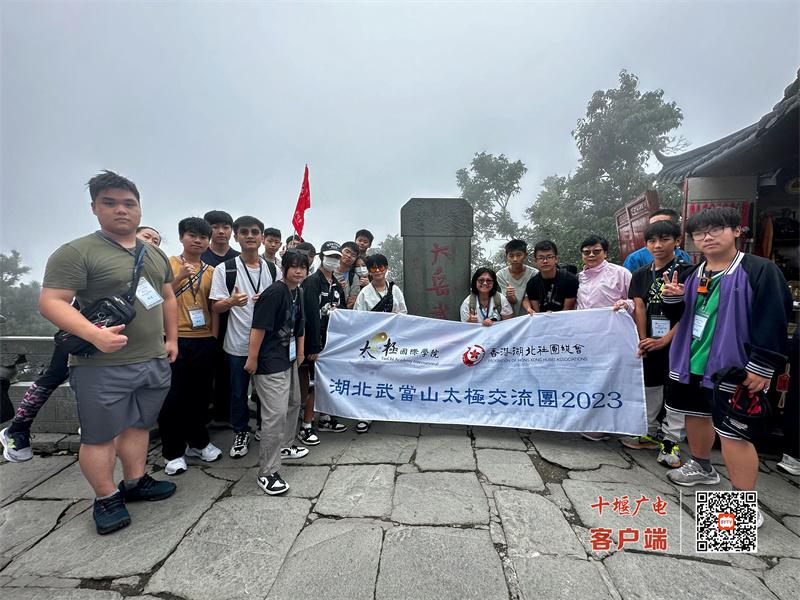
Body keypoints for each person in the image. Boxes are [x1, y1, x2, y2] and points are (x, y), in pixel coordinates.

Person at [37, 170, 178, 535]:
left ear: (139, 208)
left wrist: (172, 340)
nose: (121, 210)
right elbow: (52, 302)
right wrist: (92, 334)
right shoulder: (77, 252)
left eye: (129, 203)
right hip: (101, 364)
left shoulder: (155, 254)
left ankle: (135, 480)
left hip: (151, 358)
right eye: (110, 203)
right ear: (94, 208)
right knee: (99, 436)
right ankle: (105, 496)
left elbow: (167, 298)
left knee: (139, 424)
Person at [660, 208, 791, 528]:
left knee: (734, 432)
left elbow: (775, 316)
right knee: (695, 415)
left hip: (733, 366)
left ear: (736, 231)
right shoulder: (692, 272)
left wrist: (762, 364)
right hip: (690, 362)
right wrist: (673, 300)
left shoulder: (760, 270)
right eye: (699, 233)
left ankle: (742, 504)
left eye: (716, 229)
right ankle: (702, 466)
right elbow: (678, 318)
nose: (707, 237)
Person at [0, 227, 163, 464]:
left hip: (123, 345)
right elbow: (55, 302)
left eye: (156, 240)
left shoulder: (151, 269)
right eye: (147, 236)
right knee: (54, 376)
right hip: (80, 335)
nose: (151, 241)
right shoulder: (100, 258)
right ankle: (17, 429)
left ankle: (94, 429)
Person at [620, 220, 692, 467]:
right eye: (652, 241)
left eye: (664, 239)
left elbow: (691, 312)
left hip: (678, 343)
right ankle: (648, 432)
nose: (658, 245)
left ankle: (670, 446)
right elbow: (639, 306)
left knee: (674, 393)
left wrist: (665, 340)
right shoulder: (640, 274)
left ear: (677, 241)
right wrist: (642, 339)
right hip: (649, 340)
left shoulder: (688, 272)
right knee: (650, 387)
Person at [209, 216, 279, 459]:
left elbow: (282, 302)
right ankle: (240, 431)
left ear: (261, 237)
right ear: (236, 236)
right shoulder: (225, 269)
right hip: (237, 343)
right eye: (244, 232)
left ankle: (262, 427)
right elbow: (215, 307)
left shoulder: (273, 269)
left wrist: (268, 301)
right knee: (238, 392)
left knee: (265, 391)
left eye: (255, 232)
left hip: (267, 345)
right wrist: (231, 301)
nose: (250, 236)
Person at [158, 217, 223, 476]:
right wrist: (180, 277)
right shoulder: (168, 264)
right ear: (182, 237)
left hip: (203, 341)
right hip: (174, 339)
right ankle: (172, 452)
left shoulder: (211, 271)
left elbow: (213, 307)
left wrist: (213, 338)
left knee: (200, 397)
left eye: (202, 237)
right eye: (192, 235)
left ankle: (198, 443)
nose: (198, 240)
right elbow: (157, 297)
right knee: (172, 398)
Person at [245, 250, 310, 495]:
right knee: (275, 414)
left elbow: (300, 325)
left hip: (289, 357)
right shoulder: (274, 293)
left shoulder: (299, 292)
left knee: (294, 402)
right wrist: (252, 359)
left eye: (302, 267)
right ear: (284, 268)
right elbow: (258, 327)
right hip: (269, 361)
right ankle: (268, 472)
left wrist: (300, 353)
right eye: (293, 266)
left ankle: (285, 445)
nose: (298, 271)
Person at [576, 234, 633, 441]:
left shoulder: (621, 273)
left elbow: (636, 301)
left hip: (613, 337)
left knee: (612, 378)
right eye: (586, 252)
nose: (591, 255)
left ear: (605, 252)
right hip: (587, 338)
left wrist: (626, 305)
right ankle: (593, 422)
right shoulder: (580, 278)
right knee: (592, 378)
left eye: (596, 251)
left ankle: (613, 423)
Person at [353, 254, 408, 433]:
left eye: (381, 267)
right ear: (369, 271)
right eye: (373, 268)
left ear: (386, 268)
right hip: (371, 341)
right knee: (368, 376)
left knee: (388, 375)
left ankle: (383, 409)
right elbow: (357, 317)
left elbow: (403, 312)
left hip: (391, 339)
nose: (377, 271)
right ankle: (364, 414)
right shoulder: (364, 293)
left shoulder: (395, 290)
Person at [299, 241, 348, 440]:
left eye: (337, 257)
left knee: (330, 382)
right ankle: (306, 425)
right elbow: (308, 316)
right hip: (316, 344)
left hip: (333, 344)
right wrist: (312, 346)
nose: (333, 261)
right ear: (321, 257)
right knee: (315, 384)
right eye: (330, 257)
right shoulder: (311, 282)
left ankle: (325, 418)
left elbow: (344, 314)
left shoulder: (336, 285)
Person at [201, 210, 240, 426]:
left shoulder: (238, 257)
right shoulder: (199, 255)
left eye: (226, 227)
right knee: (206, 370)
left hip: (233, 322)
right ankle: (204, 412)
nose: (221, 231)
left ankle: (226, 413)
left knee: (229, 369)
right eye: (215, 227)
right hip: (203, 324)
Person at [623, 209, 692, 272]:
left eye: (663, 224)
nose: (657, 228)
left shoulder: (683, 255)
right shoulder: (635, 259)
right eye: (653, 225)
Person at [522, 240, 578, 314]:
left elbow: (567, 310)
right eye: (541, 258)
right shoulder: (532, 284)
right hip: (543, 322)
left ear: (556, 259)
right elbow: (537, 313)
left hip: (565, 320)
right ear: (535, 261)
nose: (545, 261)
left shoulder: (570, 280)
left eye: (549, 257)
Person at [496, 239, 538, 317]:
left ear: (525, 255)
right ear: (506, 256)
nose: (515, 259)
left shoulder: (534, 273)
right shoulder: (500, 275)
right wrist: (509, 295)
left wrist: (529, 309)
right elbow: (512, 301)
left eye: (518, 255)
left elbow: (528, 297)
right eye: (511, 256)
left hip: (530, 316)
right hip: (509, 318)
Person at [333, 241, 360, 309]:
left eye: (353, 255)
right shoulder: (329, 269)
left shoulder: (353, 277)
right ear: (340, 251)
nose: (349, 256)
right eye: (347, 252)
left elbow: (352, 302)